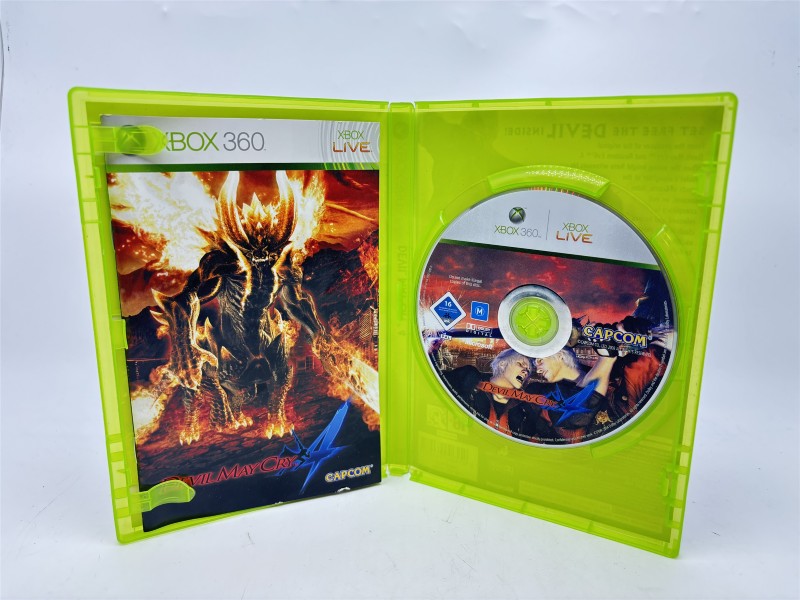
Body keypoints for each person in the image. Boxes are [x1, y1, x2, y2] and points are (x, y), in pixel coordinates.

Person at [442, 348, 553, 440]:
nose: (526, 372)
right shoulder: (469, 378)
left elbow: (546, 437)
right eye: (521, 364)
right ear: (502, 364)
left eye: (528, 370)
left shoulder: (525, 407)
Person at [527, 347, 618, 443]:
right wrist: (606, 358)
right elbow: (574, 416)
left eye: (539, 361)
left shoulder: (616, 375)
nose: (538, 371)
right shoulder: (549, 395)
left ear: (560, 355)